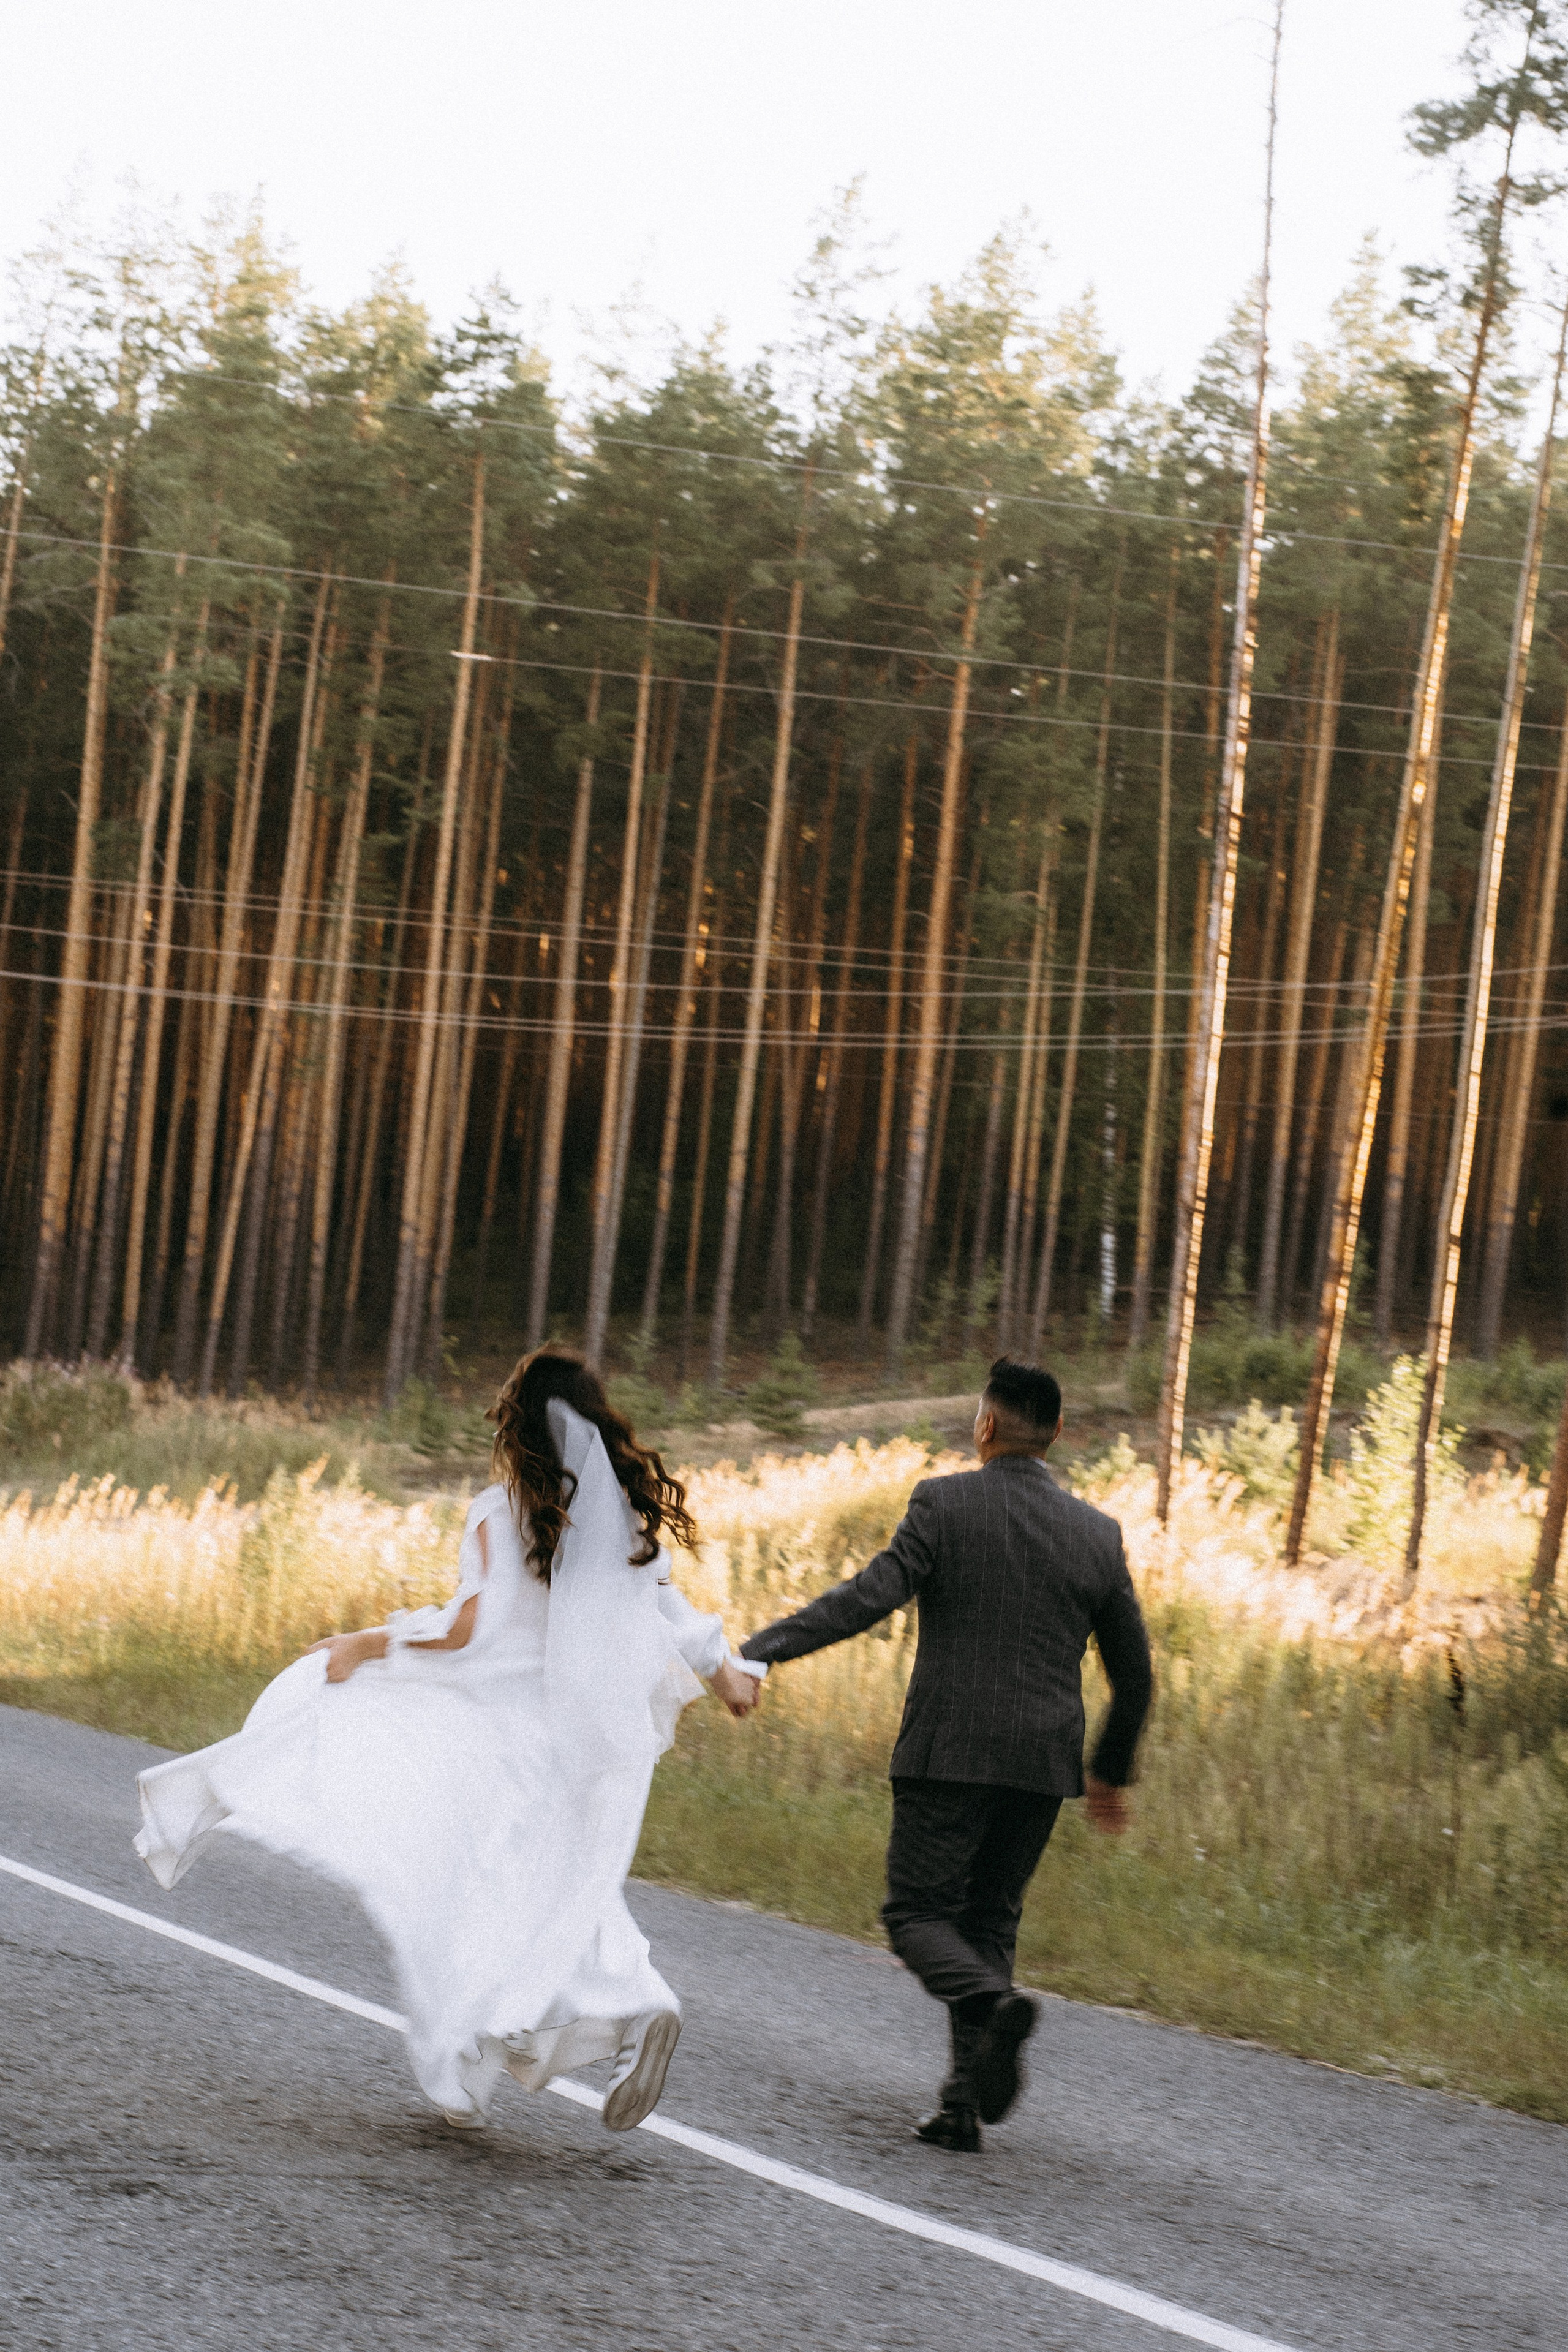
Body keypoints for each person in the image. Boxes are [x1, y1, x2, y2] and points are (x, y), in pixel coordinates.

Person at [134, 1350, 762, 2132]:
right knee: (562, 1882)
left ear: (516, 1428)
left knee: (473, 1889)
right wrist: (727, 1671)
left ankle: (484, 2051)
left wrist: (370, 1643)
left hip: (507, 1735)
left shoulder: (499, 1511)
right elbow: (666, 1606)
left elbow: (473, 1627)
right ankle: (631, 2004)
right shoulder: (622, 1519)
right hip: (591, 1742)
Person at [739, 1355, 1152, 2154]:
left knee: (918, 1915)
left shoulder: (943, 1503)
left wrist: (762, 1651)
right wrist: (1109, 1771)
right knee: (989, 1919)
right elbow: (1134, 1676)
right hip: (1042, 1762)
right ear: (1058, 1433)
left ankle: (995, 2013)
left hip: (948, 1748)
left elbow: (869, 1596)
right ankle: (962, 2106)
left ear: (985, 1425)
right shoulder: (1097, 1536)